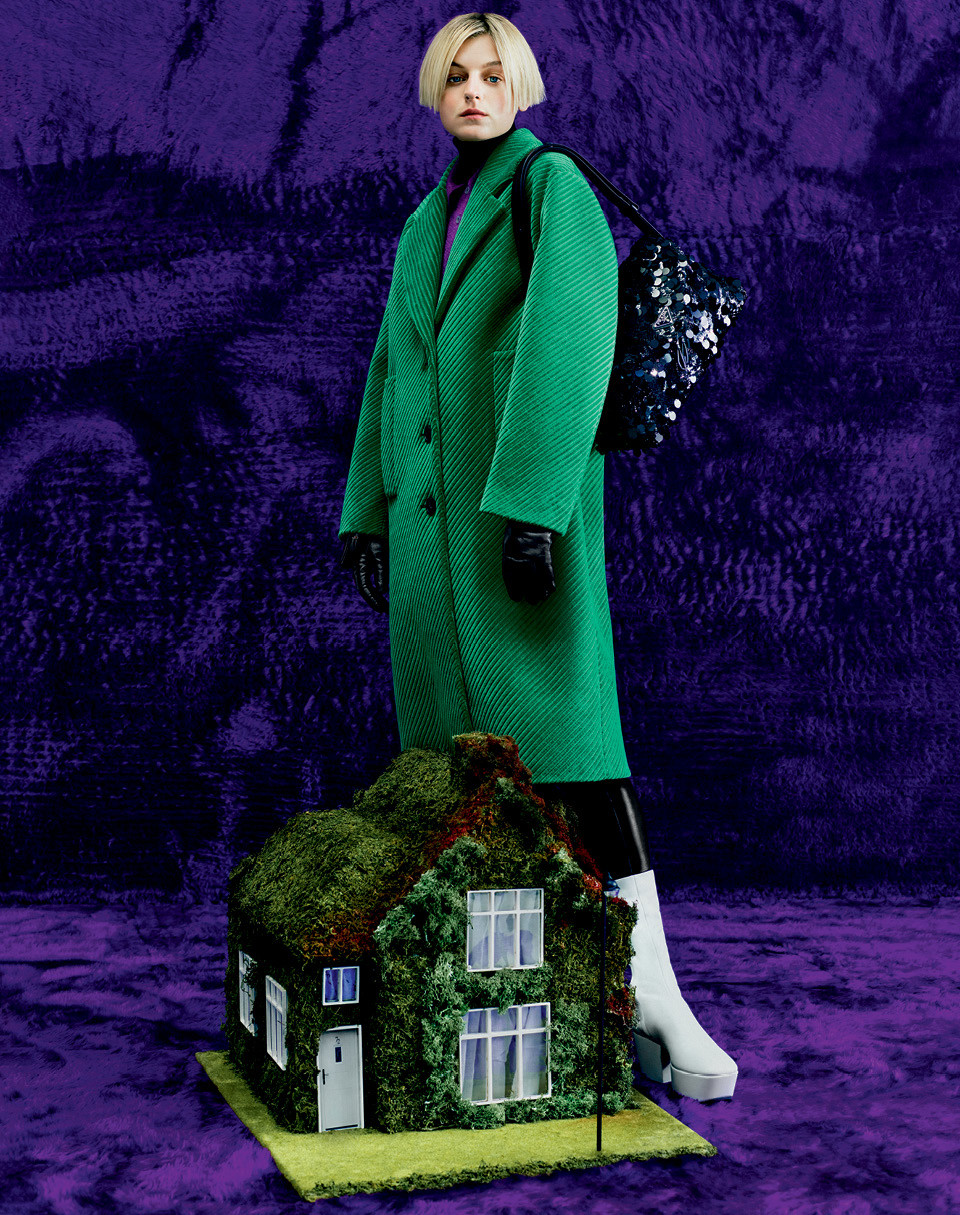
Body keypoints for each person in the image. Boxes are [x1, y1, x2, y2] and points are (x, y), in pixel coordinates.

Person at [338, 11, 737, 1102]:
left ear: (522, 88)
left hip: (520, 533)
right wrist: (366, 511)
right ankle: (520, 1000)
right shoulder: (425, 221)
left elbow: (571, 341)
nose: (474, 90)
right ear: (436, 93)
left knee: (577, 760)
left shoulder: (549, 187)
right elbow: (390, 369)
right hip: (432, 547)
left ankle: (656, 991)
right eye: (456, 76)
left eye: (493, 74)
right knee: (462, 781)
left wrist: (532, 510)